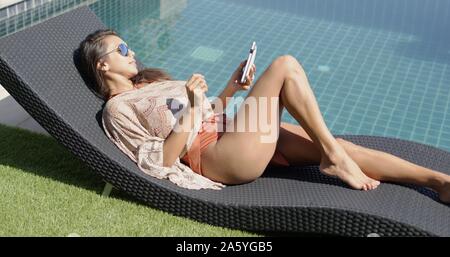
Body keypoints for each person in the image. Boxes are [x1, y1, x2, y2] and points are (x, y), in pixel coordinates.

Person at [78, 29, 450, 203]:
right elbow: (161, 161)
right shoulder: (118, 110)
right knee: (285, 66)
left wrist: (231, 89)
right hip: (217, 156)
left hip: (233, 130)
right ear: (102, 63)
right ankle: (332, 159)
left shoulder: (150, 84)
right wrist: (192, 108)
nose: (132, 51)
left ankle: (439, 182)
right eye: (121, 47)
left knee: (343, 145)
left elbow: (210, 111)